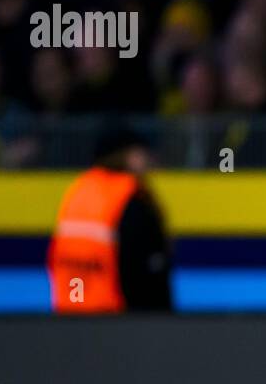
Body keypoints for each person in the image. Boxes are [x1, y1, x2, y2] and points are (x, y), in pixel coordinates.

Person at [47, 127, 172, 313]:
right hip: (115, 317)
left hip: (70, 312)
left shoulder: (79, 190)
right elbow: (145, 269)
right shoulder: (130, 196)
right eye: (142, 153)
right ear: (128, 155)